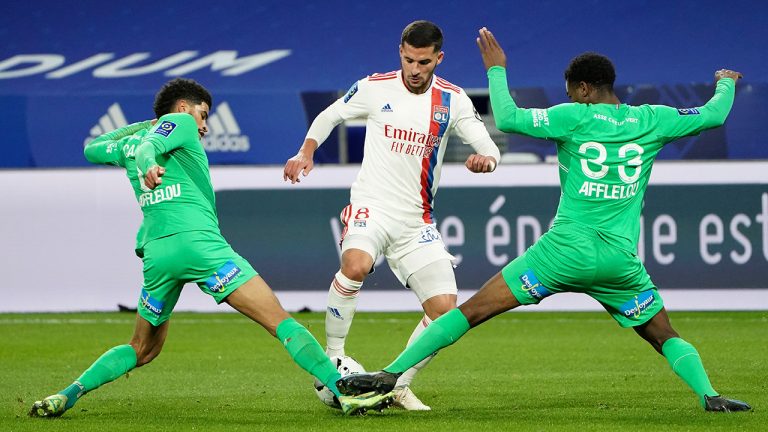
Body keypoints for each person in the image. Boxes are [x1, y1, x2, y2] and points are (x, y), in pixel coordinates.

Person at [336, 28, 751, 413]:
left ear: (585, 90)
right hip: (619, 264)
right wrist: (726, 81)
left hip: (560, 255)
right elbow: (713, 115)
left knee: (470, 312)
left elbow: (511, 118)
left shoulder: (574, 117)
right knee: (664, 335)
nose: (569, 97)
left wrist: (495, 69)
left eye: (572, 91)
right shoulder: (653, 120)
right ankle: (710, 395)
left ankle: (390, 375)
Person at [29, 78, 393, 418]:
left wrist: (145, 131)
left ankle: (69, 393)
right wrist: (150, 154)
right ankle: (343, 392)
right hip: (202, 247)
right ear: (184, 109)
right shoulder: (180, 124)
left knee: (143, 348)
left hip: (158, 256)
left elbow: (92, 148)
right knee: (279, 321)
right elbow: (152, 147)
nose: (204, 126)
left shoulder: (138, 138)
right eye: (203, 114)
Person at [283, 20, 500, 411]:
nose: (415, 70)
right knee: (355, 265)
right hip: (372, 206)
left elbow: (486, 145)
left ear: (439, 58)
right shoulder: (374, 86)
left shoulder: (453, 99)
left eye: (423, 62)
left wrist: (488, 159)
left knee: (445, 311)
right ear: (399, 52)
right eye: (408, 59)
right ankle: (332, 356)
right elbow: (330, 115)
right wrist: (306, 150)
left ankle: (399, 383)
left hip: (417, 221)